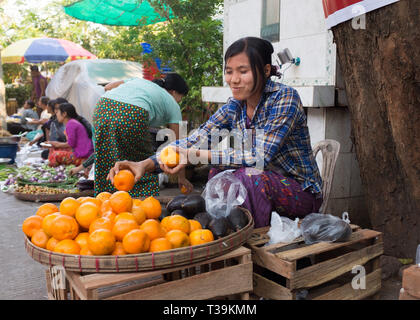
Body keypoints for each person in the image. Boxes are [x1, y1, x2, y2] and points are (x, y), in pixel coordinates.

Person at [108, 37, 323, 228]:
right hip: (262, 183)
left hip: (301, 192)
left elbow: (259, 156)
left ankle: (252, 240)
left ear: (266, 71)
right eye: (229, 71)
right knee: (221, 170)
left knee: (248, 176)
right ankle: (220, 229)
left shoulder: (285, 99)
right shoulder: (235, 106)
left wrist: (195, 156)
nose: (233, 79)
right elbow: (197, 140)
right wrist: (145, 164)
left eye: (243, 71)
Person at [93, 72, 191, 198]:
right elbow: (178, 146)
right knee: (143, 164)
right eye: (181, 97)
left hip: (102, 107)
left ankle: (105, 202)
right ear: (173, 92)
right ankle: (143, 206)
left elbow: (107, 87)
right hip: (131, 113)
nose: (180, 101)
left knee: (107, 159)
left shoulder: (139, 81)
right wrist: (181, 178)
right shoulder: (173, 104)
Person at [45, 103, 94, 167]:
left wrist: (56, 144)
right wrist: (54, 144)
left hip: (84, 156)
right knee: (53, 149)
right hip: (84, 153)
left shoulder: (71, 124)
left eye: (57, 112)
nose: (56, 115)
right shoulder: (72, 122)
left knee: (55, 155)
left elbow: (70, 144)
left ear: (64, 114)